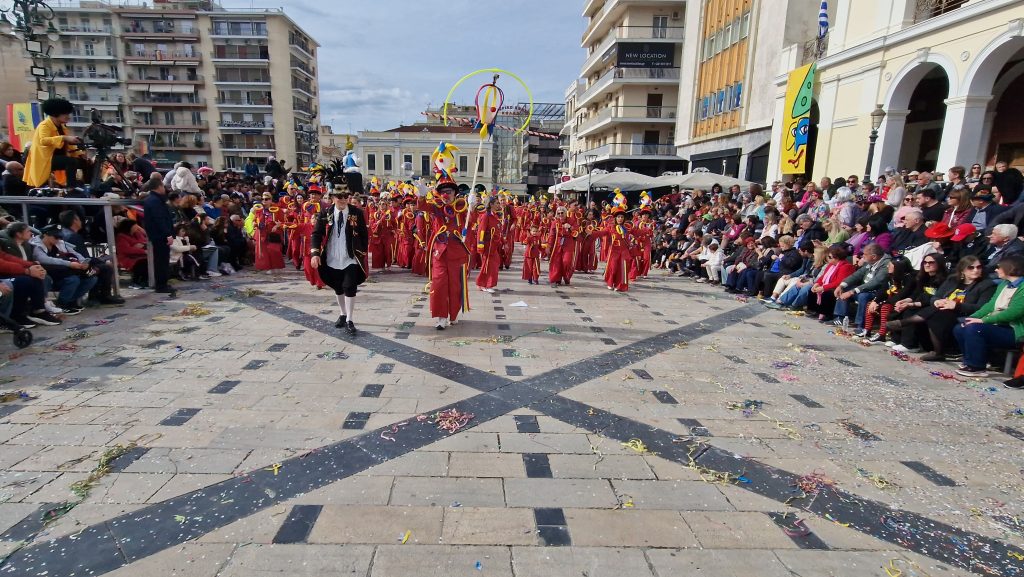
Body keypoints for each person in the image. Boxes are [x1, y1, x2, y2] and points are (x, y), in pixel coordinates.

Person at [309, 184, 368, 335]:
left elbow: (363, 234)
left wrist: (361, 251)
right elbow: (316, 234)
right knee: (338, 286)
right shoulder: (325, 213)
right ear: (333, 198)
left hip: (350, 257)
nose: (343, 199)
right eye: (339, 197)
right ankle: (342, 313)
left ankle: (349, 319)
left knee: (349, 286)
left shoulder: (356, 212)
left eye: (345, 196)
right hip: (332, 256)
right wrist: (315, 253)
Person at [954, 255, 1024, 378]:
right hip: (998, 324)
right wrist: (973, 317)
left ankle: (977, 367)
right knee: (961, 327)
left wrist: (982, 320)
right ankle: (970, 360)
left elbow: (1014, 312)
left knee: (975, 328)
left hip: (1014, 329)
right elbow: (990, 305)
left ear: (1010, 268)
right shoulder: (1004, 284)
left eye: (999, 267)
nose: (996, 270)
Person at [31, 225, 98, 313]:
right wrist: (69, 264)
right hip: (49, 274)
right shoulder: (36, 245)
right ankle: (62, 304)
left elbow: (74, 253)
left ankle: (70, 301)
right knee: (73, 280)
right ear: (46, 235)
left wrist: (83, 263)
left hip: (63, 272)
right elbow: (45, 259)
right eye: (56, 237)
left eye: (60, 237)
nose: (58, 239)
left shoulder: (59, 243)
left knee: (91, 278)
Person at [23, 98, 87, 189]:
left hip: (55, 158)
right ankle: (71, 188)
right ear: (55, 113)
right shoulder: (44, 125)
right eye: (65, 113)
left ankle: (86, 185)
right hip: (45, 159)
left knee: (84, 162)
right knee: (71, 162)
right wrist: (64, 138)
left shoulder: (62, 126)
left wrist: (79, 154)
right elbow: (43, 140)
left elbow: (68, 144)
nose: (68, 116)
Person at [834, 243, 891, 329]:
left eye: (865, 255)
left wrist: (852, 291)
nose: (862, 257)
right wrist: (841, 285)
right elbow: (857, 275)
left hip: (877, 292)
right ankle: (840, 317)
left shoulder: (886, 264)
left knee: (863, 296)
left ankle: (860, 324)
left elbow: (876, 282)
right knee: (845, 289)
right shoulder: (870, 261)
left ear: (874, 256)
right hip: (864, 289)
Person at [142, 179, 176, 296]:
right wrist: (168, 234)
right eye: (162, 186)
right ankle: (161, 285)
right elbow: (160, 219)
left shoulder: (154, 200)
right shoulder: (155, 201)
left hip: (158, 234)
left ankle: (163, 283)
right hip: (160, 235)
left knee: (163, 260)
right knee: (161, 261)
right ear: (159, 186)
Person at [475, 196, 503, 292]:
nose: (498, 205)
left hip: (493, 245)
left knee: (494, 264)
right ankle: (484, 284)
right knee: (487, 264)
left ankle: (485, 284)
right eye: (497, 203)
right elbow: (481, 231)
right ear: (491, 204)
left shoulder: (494, 215)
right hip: (487, 245)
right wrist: (480, 244)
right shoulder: (486, 216)